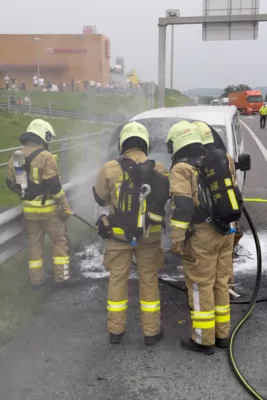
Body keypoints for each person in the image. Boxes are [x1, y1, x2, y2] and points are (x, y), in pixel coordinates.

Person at [93, 121, 169, 346]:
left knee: (117, 279)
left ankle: (116, 332)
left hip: (119, 235)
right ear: (145, 143)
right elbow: (166, 200)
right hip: (150, 235)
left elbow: (100, 198)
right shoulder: (159, 168)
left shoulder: (109, 168)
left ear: (122, 143)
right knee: (149, 279)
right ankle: (151, 333)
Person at [166, 120, 237, 355]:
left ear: (176, 143)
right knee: (221, 282)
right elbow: (232, 193)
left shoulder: (181, 169)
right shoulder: (221, 159)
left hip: (202, 236)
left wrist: (176, 240)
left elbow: (182, 208)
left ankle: (203, 339)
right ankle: (222, 334)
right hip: (225, 231)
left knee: (200, 285)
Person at [6, 119, 77, 288]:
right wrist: (64, 205)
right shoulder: (46, 157)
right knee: (59, 241)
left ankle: (36, 279)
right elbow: (54, 186)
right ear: (44, 136)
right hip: (49, 210)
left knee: (34, 243)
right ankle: (62, 277)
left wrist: (26, 193)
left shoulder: (15, 157)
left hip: (29, 211)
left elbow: (10, 183)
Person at [192, 121, 243, 288]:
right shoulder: (225, 157)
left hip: (204, 228)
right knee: (223, 278)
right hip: (227, 224)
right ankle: (225, 303)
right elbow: (232, 184)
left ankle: (205, 313)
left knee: (202, 281)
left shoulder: (192, 163)